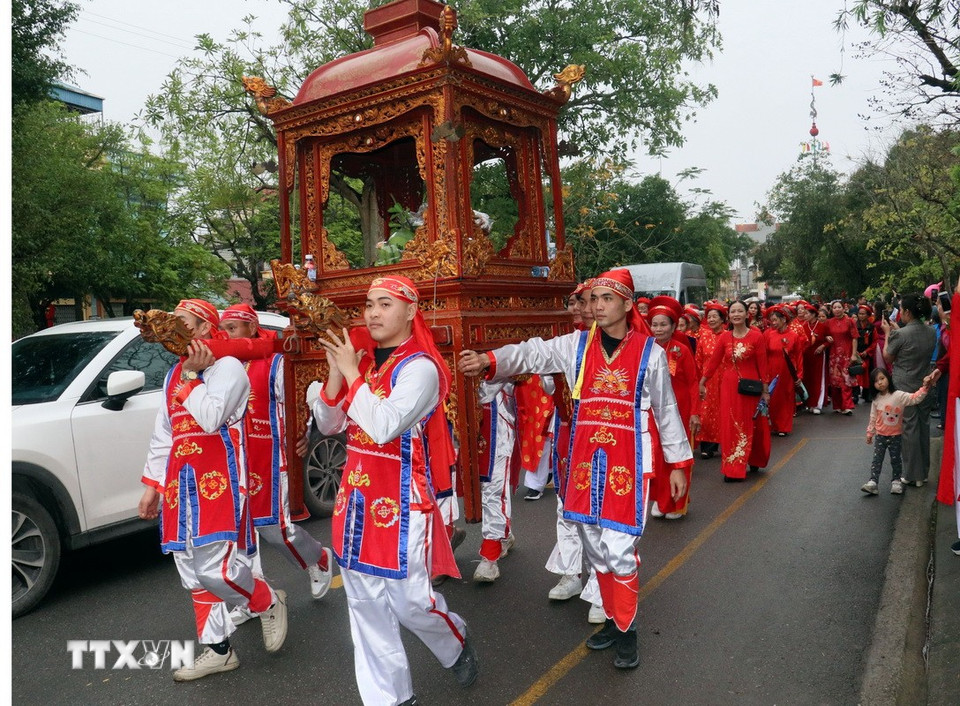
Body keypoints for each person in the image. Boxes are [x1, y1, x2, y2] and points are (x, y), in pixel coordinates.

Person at [459, 269, 693, 669]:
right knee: (595, 547)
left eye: (606, 298)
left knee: (620, 549)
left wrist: (678, 464)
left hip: (628, 460)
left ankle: (627, 631)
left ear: (627, 305)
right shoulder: (575, 345)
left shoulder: (650, 353)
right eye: (593, 298)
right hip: (585, 459)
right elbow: (533, 353)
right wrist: (489, 359)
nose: (597, 306)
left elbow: (667, 409)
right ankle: (612, 620)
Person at [311, 275, 477, 706]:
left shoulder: (420, 368)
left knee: (411, 604)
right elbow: (329, 425)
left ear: (410, 311)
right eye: (369, 304)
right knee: (365, 607)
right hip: (355, 501)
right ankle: (392, 698)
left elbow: (384, 426)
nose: (373, 313)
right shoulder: (364, 364)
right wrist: (336, 375)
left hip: (402, 503)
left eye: (385, 304)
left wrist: (352, 374)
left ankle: (455, 640)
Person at [139, 299, 288, 681]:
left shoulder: (228, 368)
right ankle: (219, 650)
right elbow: (164, 434)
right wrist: (153, 486)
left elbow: (211, 418)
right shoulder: (174, 374)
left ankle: (266, 600)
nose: (173, 329)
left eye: (182, 322)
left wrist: (192, 377)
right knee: (190, 568)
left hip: (219, 479)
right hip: (181, 480)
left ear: (205, 328)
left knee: (212, 568)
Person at [218, 304, 333, 622]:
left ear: (252, 328)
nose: (227, 335)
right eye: (223, 329)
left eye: (233, 329)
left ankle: (318, 558)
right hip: (232, 456)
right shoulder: (222, 363)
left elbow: (297, 402)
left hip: (268, 454)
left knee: (273, 528)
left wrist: (301, 434)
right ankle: (253, 596)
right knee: (239, 532)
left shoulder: (275, 361)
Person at [699, 300, 771, 480]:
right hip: (730, 387)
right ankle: (733, 467)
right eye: (733, 311)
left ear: (747, 315)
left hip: (751, 388)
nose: (736, 314)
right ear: (729, 316)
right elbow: (713, 363)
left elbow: (763, 366)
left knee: (751, 423)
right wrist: (702, 382)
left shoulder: (757, 337)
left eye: (740, 311)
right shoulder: (725, 338)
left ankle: (753, 457)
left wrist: (765, 391)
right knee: (731, 425)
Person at [648, 296, 700, 519]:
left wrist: (695, 412)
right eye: (654, 324)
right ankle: (662, 499)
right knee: (658, 456)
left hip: (680, 410)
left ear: (673, 326)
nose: (658, 329)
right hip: (654, 411)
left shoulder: (681, 350)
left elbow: (693, 382)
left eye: (663, 324)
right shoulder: (646, 350)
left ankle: (677, 502)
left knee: (678, 456)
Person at [883, 293, 937, 486]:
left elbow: (888, 356)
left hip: (905, 386)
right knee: (923, 426)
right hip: (925, 383)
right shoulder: (931, 331)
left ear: (906, 311)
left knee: (909, 429)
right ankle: (923, 472)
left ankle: (913, 474)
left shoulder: (900, 334)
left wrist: (887, 334)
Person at [861, 367, 940, 495]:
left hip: (896, 436)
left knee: (896, 460)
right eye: (876, 381)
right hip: (880, 435)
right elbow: (873, 417)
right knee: (877, 460)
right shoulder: (876, 399)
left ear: (888, 378)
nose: (880, 382)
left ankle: (896, 481)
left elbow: (914, 398)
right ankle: (873, 482)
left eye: (882, 378)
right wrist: (870, 433)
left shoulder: (898, 395)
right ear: (872, 385)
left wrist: (925, 388)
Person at [472, 379, 520, 582]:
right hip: (456, 419)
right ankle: (441, 548)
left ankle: (490, 556)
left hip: (496, 421)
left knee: (493, 487)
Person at [763, 305, 802, 436]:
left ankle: (784, 427)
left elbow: (799, 356)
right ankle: (774, 425)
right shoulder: (769, 335)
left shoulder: (794, 336)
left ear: (784, 320)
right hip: (771, 370)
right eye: (771, 321)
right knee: (773, 398)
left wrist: (799, 375)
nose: (773, 323)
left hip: (787, 372)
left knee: (786, 397)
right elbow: (764, 355)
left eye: (775, 320)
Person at [824, 300, 859, 415]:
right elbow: (824, 335)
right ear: (832, 310)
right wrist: (827, 337)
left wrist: (854, 354)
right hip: (833, 355)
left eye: (839, 307)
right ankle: (837, 405)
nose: (837, 309)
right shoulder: (829, 322)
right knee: (835, 381)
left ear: (844, 309)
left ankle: (847, 406)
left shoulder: (850, 321)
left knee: (846, 380)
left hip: (846, 354)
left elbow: (855, 338)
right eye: (835, 307)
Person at [803, 304, 830, 414]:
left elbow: (829, 340)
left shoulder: (822, 326)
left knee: (818, 379)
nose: (805, 315)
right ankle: (809, 403)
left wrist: (823, 346)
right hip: (806, 357)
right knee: (808, 379)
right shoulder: (804, 326)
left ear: (814, 314)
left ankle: (817, 404)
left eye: (807, 314)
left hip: (818, 356)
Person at [854, 304, 877, 404]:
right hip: (856, 353)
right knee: (855, 374)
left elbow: (875, 341)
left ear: (868, 315)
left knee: (868, 375)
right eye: (860, 314)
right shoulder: (854, 326)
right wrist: (854, 352)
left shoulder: (872, 327)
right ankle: (855, 395)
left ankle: (867, 394)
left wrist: (867, 351)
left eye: (863, 314)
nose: (861, 316)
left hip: (867, 354)